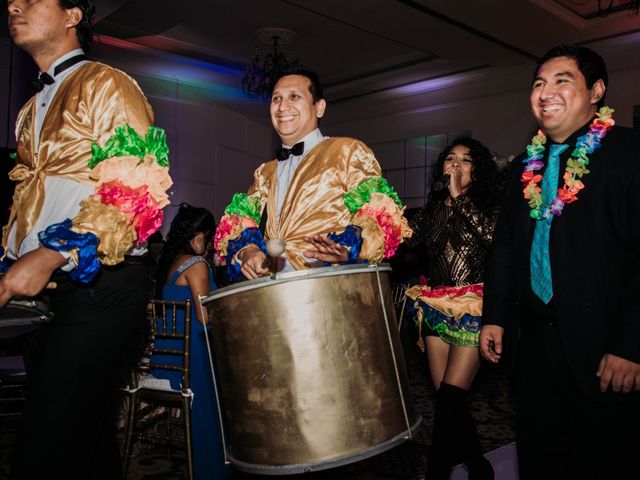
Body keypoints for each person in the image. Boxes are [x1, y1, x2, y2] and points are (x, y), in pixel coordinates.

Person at [1, 1, 172, 478]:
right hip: (46, 293)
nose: (14, 5)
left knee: (43, 446)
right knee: (85, 440)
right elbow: (35, 199)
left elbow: (138, 189)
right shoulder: (30, 107)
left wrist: (53, 252)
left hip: (100, 286)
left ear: (72, 15)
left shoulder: (106, 83)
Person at [480, 45, 640, 480]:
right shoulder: (522, 168)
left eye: (561, 80)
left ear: (597, 91)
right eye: (538, 83)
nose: (545, 92)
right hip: (532, 347)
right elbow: (506, 247)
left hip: (605, 349)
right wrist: (493, 316)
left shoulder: (629, 152)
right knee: (541, 459)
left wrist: (631, 345)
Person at [214, 67, 412, 280]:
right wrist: (248, 251)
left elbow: (381, 211)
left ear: (319, 108)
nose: (282, 106)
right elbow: (238, 220)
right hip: (273, 293)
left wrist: (352, 248)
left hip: (333, 287)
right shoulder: (265, 172)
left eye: (294, 97)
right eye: (276, 98)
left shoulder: (347, 151)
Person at [403, 137, 501, 479]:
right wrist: (379, 220)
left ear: (477, 170)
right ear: (442, 167)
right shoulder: (432, 208)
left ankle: (436, 469)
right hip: (435, 306)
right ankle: (478, 466)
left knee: (450, 399)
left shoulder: (489, 205)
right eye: (450, 158)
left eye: (466, 160)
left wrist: (460, 198)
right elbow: (406, 240)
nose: (456, 165)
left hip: (473, 307)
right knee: (448, 399)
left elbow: (493, 240)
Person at [153, 203, 231, 480]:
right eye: (208, 239)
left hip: (169, 354)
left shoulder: (173, 263)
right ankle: (216, 466)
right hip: (192, 356)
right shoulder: (196, 265)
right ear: (201, 236)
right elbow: (205, 316)